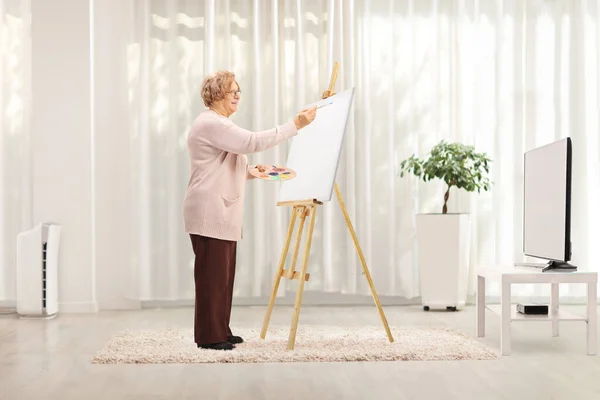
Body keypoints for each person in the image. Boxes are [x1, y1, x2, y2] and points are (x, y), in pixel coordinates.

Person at [183, 70, 317, 350]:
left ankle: (219, 328)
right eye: (233, 91)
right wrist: (296, 125)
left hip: (221, 209)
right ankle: (210, 336)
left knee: (222, 275)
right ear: (218, 94)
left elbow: (220, 165)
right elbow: (252, 142)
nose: (238, 96)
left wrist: (251, 171)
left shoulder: (217, 124)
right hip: (210, 209)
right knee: (212, 275)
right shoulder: (211, 123)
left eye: (238, 91)